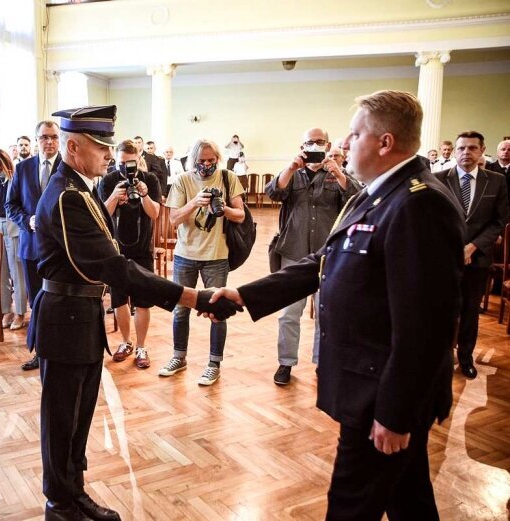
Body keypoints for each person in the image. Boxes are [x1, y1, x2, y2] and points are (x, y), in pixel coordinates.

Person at [209, 90, 465, 519]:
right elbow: (324, 261)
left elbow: (426, 328)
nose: (342, 144)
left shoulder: (419, 204)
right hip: (374, 385)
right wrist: (246, 293)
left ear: (385, 142)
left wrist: (396, 414)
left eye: (354, 133)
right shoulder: (379, 194)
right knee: (409, 499)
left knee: (350, 505)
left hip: (380, 395)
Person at [30, 104, 240, 521]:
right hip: (66, 317)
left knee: (78, 418)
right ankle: (60, 504)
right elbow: (116, 268)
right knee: (61, 422)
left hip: (81, 315)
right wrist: (194, 298)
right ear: (74, 147)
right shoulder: (67, 195)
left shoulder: (78, 186)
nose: (109, 155)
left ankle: (75, 494)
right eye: (101, 146)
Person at [266, 128, 360, 385]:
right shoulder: (293, 173)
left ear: (328, 145)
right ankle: (285, 363)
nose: (315, 146)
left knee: (325, 313)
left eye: (320, 142)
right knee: (288, 313)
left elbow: (358, 199)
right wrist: (291, 166)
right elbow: (272, 193)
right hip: (293, 251)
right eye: (310, 142)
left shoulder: (339, 173)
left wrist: (338, 172)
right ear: (303, 145)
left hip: (328, 255)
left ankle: (322, 362)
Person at [159, 138, 246, 386]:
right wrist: (194, 202)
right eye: (202, 161)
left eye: (211, 160)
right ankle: (179, 356)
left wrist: (223, 210)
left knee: (218, 312)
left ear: (217, 159)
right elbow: (174, 219)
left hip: (217, 256)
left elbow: (240, 214)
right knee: (180, 310)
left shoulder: (228, 177)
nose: (207, 165)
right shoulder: (183, 180)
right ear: (192, 160)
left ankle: (214, 363)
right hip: (186, 255)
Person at [434, 131, 509, 379]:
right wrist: (455, 248)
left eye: (472, 148)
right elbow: (431, 219)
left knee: (469, 311)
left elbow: (499, 222)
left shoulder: (496, 181)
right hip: (444, 259)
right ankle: (440, 359)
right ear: (455, 151)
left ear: (481, 150)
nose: (466, 152)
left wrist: (473, 246)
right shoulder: (438, 179)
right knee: (443, 310)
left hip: (477, 259)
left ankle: (465, 358)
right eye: (461, 148)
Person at [99, 139, 162, 369]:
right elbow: (102, 216)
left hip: (143, 248)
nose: (127, 168)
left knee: (143, 301)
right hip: (115, 250)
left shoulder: (151, 179)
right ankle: (126, 342)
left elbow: (154, 213)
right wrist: (115, 196)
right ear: (116, 160)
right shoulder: (108, 181)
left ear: (139, 159)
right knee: (118, 299)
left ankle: (142, 346)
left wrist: (144, 195)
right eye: (122, 163)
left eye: (131, 163)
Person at [6, 120, 62, 371]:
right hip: (31, 246)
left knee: (58, 300)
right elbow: (11, 205)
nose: (49, 142)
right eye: (44, 137)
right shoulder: (23, 168)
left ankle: (60, 351)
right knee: (36, 301)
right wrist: (26, 220)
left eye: (53, 137)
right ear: (36, 139)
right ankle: (41, 352)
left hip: (61, 248)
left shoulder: (68, 167)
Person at [0, 148, 27, 331]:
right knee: (0, 272)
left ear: (5, 165)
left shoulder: (16, 176)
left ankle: (20, 312)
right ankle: (6, 310)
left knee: (17, 271)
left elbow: (22, 203)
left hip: (13, 227)